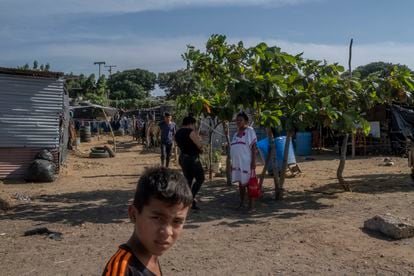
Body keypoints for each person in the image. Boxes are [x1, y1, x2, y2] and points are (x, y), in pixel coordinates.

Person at [102, 167, 193, 276]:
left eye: (177, 221)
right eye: (157, 218)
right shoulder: (121, 269)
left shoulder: (150, 255)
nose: (167, 231)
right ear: (133, 214)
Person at [175, 115, 205, 210]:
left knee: (188, 180)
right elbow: (199, 145)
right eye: (194, 124)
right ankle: (190, 199)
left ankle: (185, 201)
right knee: (200, 178)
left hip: (183, 158)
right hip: (192, 159)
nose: (195, 126)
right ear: (191, 123)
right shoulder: (190, 132)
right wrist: (200, 143)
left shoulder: (178, 132)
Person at [230, 111, 258, 211]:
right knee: (241, 184)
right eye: (237, 120)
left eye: (240, 120)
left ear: (245, 121)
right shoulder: (235, 133)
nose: (238, 122)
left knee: (249, 184)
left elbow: (254, 147)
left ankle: (251, 206)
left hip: (247, 162)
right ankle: (242, 203)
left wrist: (253, 162)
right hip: (237, 163)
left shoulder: (250, 130)